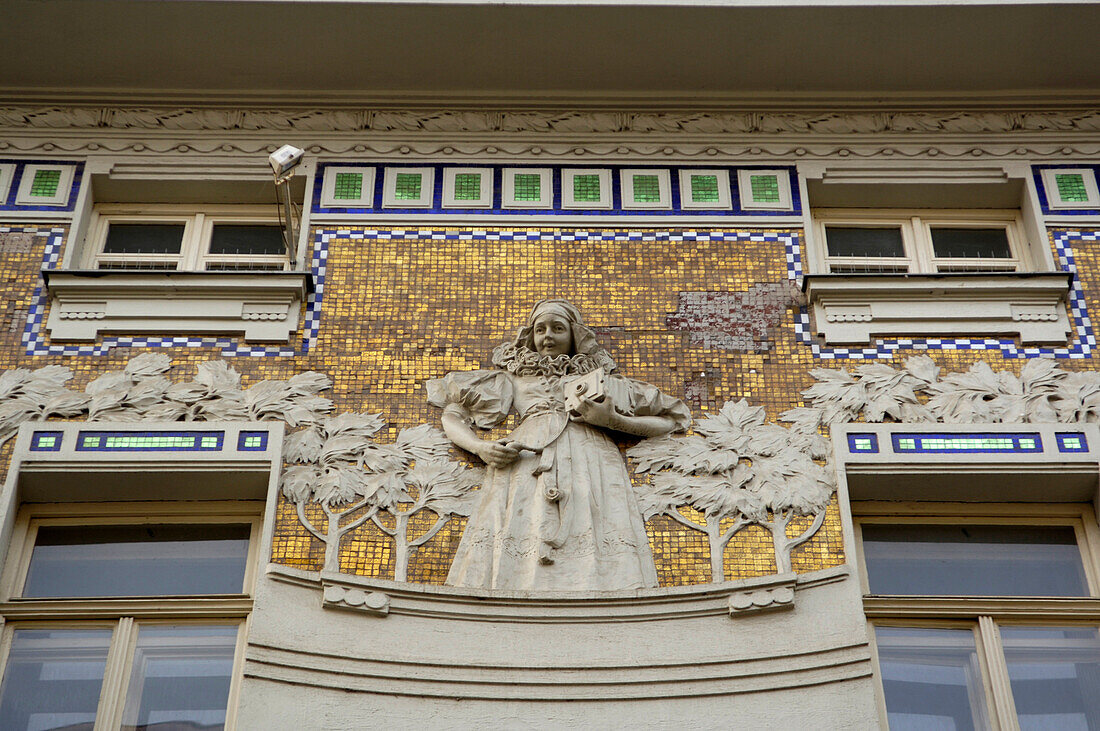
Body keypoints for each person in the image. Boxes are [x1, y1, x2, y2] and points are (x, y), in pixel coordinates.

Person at [426, 299, 691, 591]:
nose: (547, 336)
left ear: (574, 335)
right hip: (525, 457)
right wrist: (480, 447)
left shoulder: (603, 382)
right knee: (523, 526)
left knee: (593, 524)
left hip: (592, 456)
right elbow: (453, 413)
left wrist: (613, 420)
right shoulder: (512, 379)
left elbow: (671, 418)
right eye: (540, 329)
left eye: (557, 328)